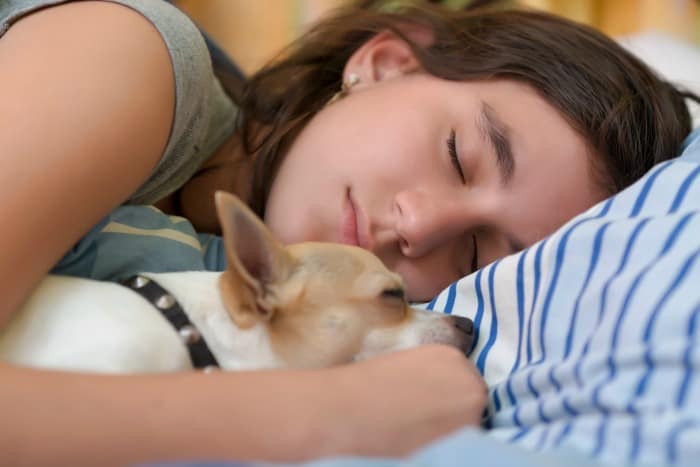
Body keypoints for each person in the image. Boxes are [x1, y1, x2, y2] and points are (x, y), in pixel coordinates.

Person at [0, 0, 697, 465]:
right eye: (457, 154)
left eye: (477, 251)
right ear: (383, 64)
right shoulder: (132, 61)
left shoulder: (250, 299)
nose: (417, 227)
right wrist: (333, 415)